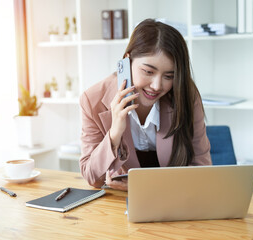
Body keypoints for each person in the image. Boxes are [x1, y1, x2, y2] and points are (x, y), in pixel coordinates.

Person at [79, 19, 212, 191]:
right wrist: (114, 134)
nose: (157, 86)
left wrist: (146, 186)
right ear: (127, 61)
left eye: (169, 76)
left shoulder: (186, 95)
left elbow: (202, 170)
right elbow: (92, 177)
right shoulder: (93, 100)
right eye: (148, 72)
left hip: (175, 198)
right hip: (121, 204)